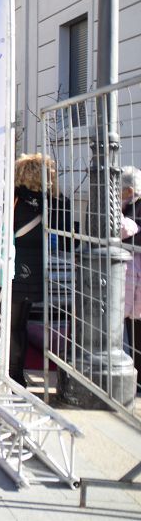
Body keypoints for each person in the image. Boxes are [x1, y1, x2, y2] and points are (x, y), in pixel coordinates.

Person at [10, 153, 70, 387]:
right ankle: (17, 374)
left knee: (8, 324)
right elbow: (67, 241)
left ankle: (11, 374)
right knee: (19, 324)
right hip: (36, 271)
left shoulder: (14, 198)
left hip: (12, 266)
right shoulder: (55, 202)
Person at [123, 166, 141, 392]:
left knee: (136, 331)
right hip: (132, 279)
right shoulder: (131, 205)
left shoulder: (135, 208)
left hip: (136, 278)